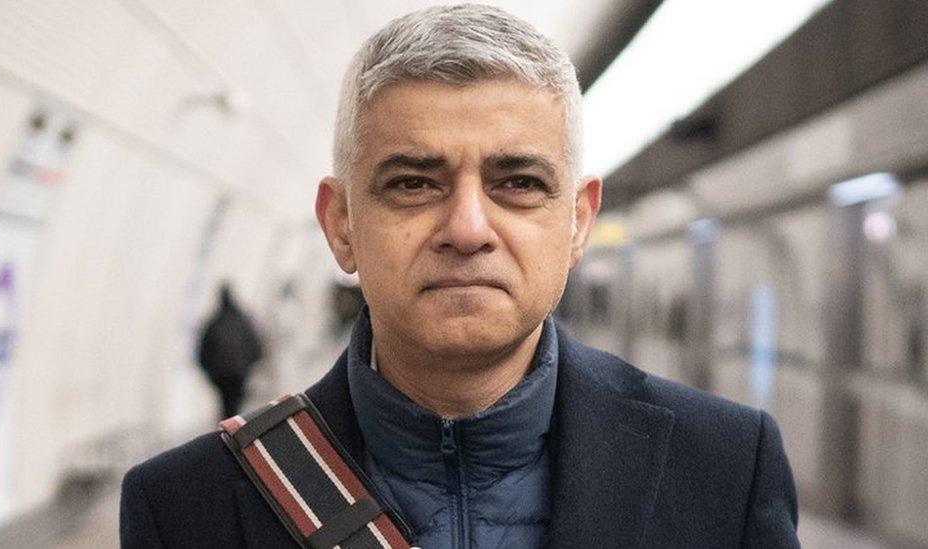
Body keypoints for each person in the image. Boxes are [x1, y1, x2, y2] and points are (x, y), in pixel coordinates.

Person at [120, 5, 799, 548]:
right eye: (414, 182)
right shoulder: (185, 508)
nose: (468, 227)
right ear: (341, 224)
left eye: (520, 182)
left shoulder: (725, 469)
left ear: (578, 222)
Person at [196, 283, 263, 419]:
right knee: (237, 403)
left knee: (225, 404)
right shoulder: (242, 321)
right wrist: (249, 366)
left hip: (220, 375)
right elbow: (254, 345)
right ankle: (238, 429)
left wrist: (209, 372)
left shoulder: (213, 322)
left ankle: (228, 430)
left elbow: (204, 350)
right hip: (239, 373)